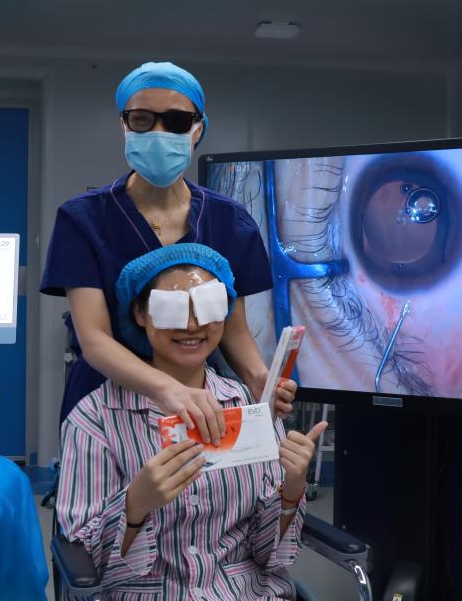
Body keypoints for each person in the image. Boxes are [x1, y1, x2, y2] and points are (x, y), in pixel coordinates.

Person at [57, 244, 326, 600]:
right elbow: (86, 566)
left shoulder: (248, 405)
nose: (192, 325)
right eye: (172, 308)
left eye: (207, 307)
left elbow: (267, 554)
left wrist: (292, 488)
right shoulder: (95, 419)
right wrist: (135, 505)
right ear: (140, 313)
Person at [41, 62, 281, 442]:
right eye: (142, 119)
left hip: (201, 401)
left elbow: (233, 330)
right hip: (107, 405)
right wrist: (167, 390)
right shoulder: (83, 218)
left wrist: (259, 378)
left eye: (176, 121)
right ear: (124, 126)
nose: (158, 132)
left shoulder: (228, 221)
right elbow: (95, 338)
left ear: (198, 129)